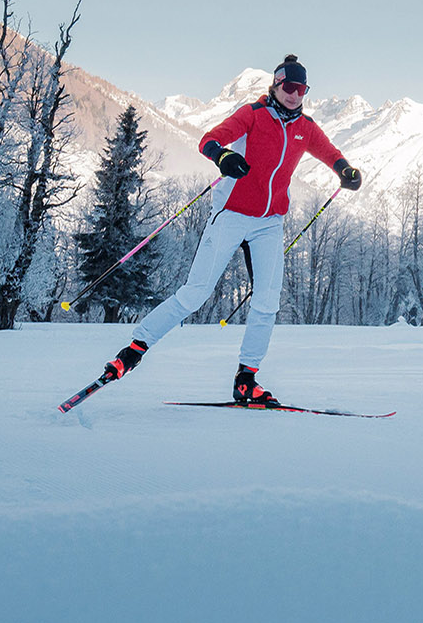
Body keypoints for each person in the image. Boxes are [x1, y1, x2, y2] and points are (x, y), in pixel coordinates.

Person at [94, 55, 360, 408]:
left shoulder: (305, 128)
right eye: (289, 87)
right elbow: (210, 139)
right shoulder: (253, 115)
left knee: (267, 302)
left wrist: (345, 170)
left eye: (302, 89)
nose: (295, 95)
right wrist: (222, 157)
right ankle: (132, 351)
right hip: (232, 213)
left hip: (269, 222)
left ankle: (246, 379)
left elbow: (329, 152)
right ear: (276, 85)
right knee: (195, 294)